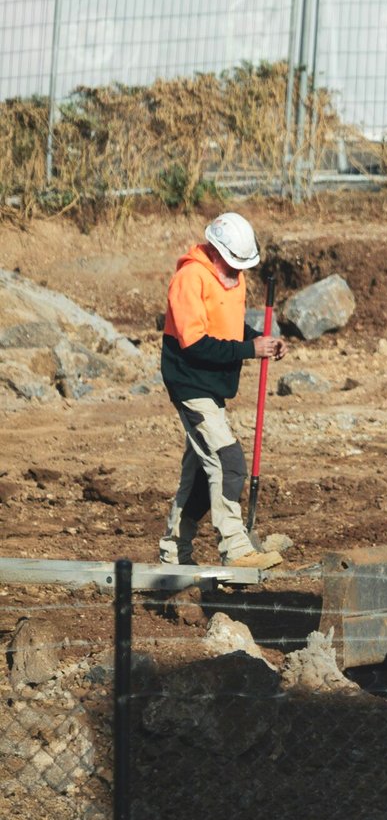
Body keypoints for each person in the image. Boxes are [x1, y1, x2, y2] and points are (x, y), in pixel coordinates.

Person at [158, 212, 286, 570]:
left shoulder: (234, 279)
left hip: (213, 386)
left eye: (241, 267)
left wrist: (259, 340)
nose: (236, 273)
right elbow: (195, 344)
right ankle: (236, 548)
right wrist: (250, 351)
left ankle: (172, 554)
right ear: (215, 251)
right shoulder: (189, 278)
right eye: (231, 264)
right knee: (228, 463)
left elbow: (228, 325)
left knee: (200, 475)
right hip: (189, 382)